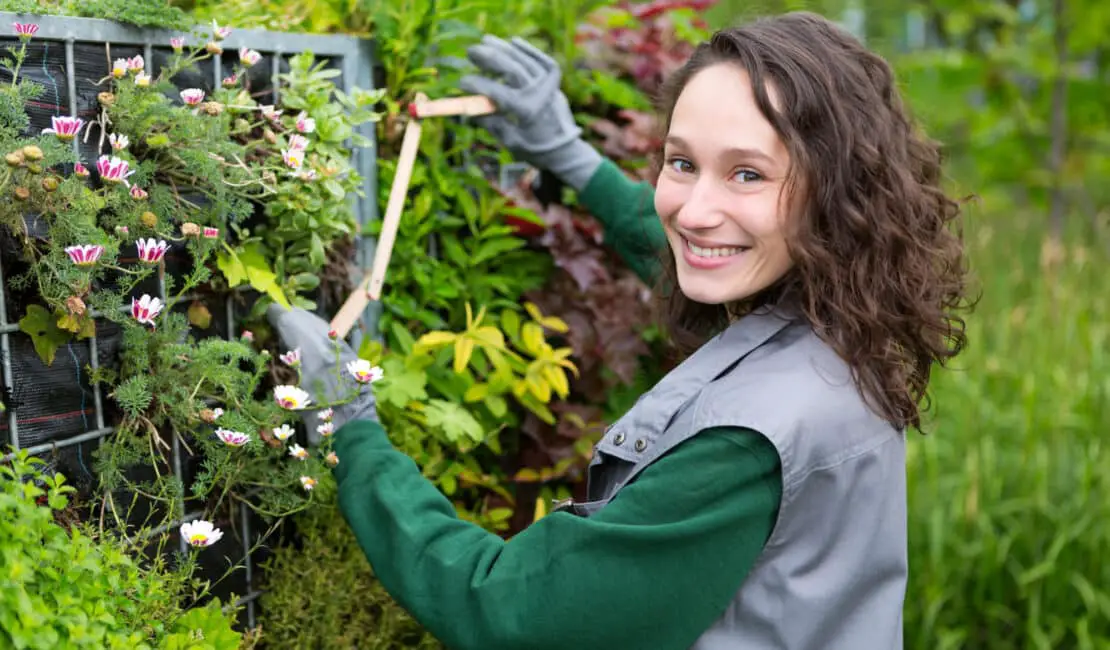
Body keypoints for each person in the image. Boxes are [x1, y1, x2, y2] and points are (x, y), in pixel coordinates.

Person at [268, 11, 971, 650]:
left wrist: (347, 422)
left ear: (835, 192)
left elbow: (516, 614)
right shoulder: (840, 323)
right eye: (681, 162)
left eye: (747, 174)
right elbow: (696, 251)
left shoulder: (743, 445)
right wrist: (570, 155)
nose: (694, 212)